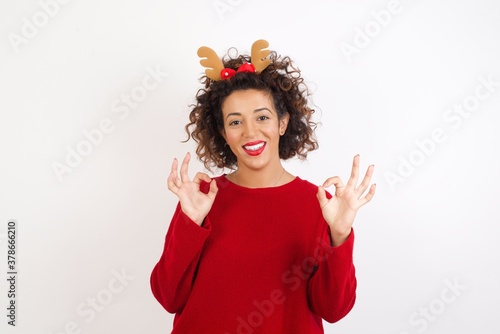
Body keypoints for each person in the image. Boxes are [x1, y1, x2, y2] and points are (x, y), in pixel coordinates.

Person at [150, 39, 376, 334]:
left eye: (262, 117)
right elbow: (168, 297)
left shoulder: (320, 204)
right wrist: (189, 223)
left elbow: (333, 310)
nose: (250, 132)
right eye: (235, 122)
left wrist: (340, 235)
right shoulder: (202, 199)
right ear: (223, 132)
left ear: (283, 123)